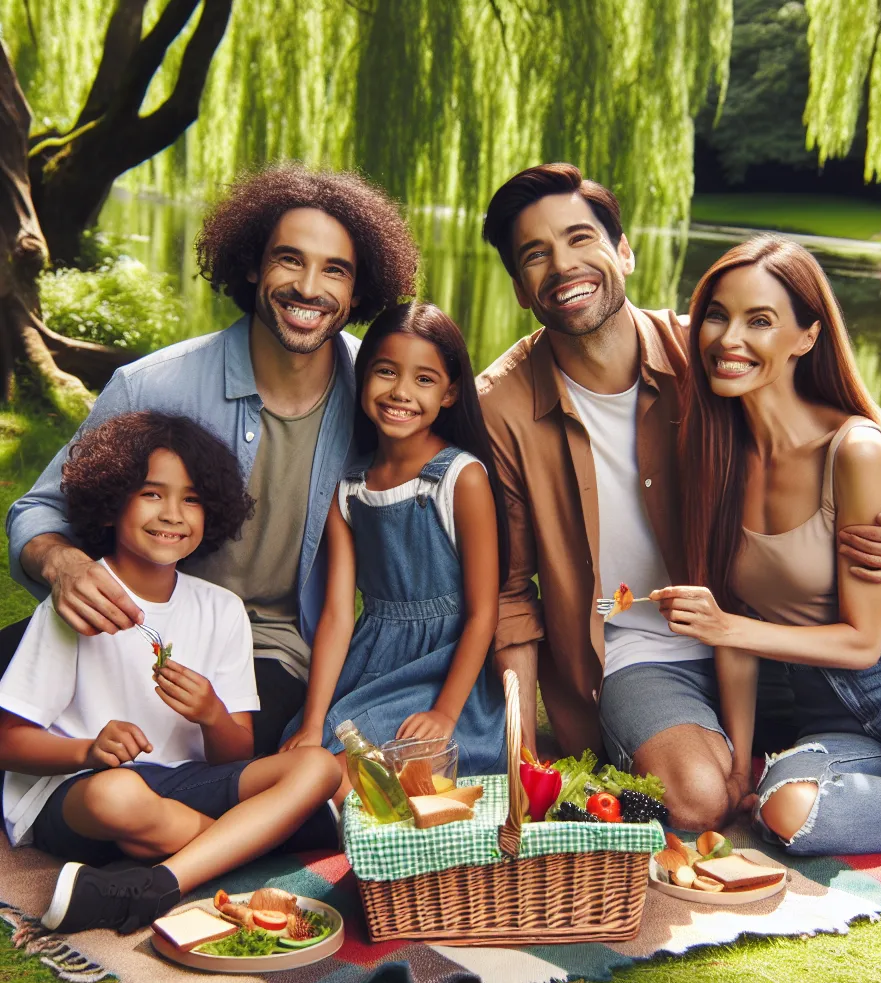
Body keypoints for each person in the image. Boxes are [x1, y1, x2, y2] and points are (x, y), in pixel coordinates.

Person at [476, 163, 881, 831]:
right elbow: (510, 594)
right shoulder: (499, 405)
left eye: (581, 238)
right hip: (640, 651)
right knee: (699, 801)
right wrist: (523, 752)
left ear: (623, 251)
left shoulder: (709, 348)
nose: (563, 265)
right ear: (522, 288)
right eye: (535, 254)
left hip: (770, 636)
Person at [5, 166, 419, 757]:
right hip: (133, 629)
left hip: (268, 650)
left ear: (358, 291)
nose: (309, 287)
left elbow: (449, 480)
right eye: (289, 260)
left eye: (335, 270)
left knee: (213, 759)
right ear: (252, 265)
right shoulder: (151, 386)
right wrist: (63, 563)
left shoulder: (378, 394)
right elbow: (40, 509)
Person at [653, 235, 881, 884]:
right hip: (828, 712)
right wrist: (740, 761)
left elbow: (861, 641)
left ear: (806, 338)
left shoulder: (851, 448)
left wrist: (723, 626)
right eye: (717, 314)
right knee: (785, 813)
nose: (728, 338)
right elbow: (734, 625)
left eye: (760, 320)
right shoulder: (714, 456)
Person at [0, 413, 343, 934]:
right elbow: (8, 742)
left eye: (192, 499)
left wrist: (210, 713)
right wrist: (88, 750)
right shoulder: (80, 600)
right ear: (112, 500)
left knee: (318, 768)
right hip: (77, 791)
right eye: (152, 494)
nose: (173, 514)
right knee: (121, 795)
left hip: (179, 786)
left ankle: (158, 882)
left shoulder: (222, 609)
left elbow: (235, 754)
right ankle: (264, 840)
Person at [280, 302, 509, 798]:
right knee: (301, 759)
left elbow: (482, 613)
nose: (401, 393)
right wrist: (312, 718)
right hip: (372, 661)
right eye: (386, 372)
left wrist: (446, 713)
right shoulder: (349, 489)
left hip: (446, 673)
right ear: (364, 378)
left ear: (449, 393)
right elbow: (339, 616)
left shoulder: (460, 478)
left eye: (424, 380)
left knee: (350, 780)